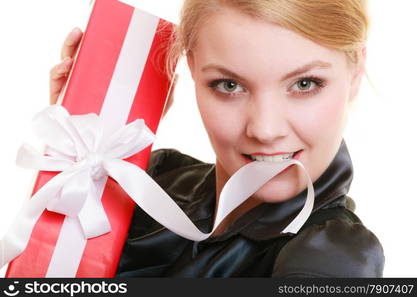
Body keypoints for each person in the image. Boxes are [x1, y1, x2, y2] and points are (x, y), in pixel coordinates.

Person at [50, 0, 384, 277]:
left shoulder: (335, 258)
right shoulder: (155, 176)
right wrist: (78, 153)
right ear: (192, 69)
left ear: (355, 73)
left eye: (305, 84)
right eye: (229, 85)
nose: (265, 130)